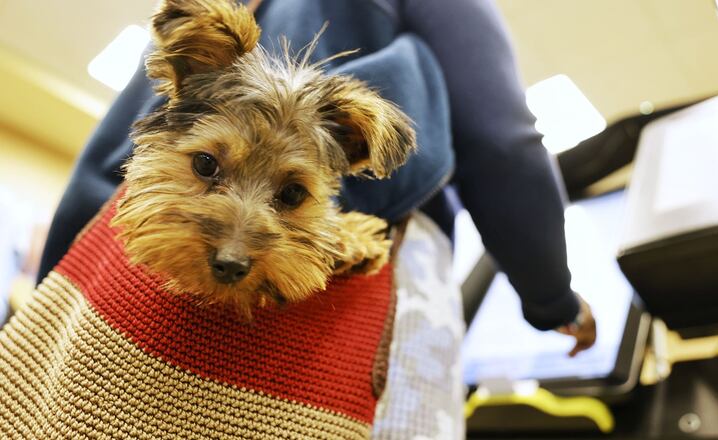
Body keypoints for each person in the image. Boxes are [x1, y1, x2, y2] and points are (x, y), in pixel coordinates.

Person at [37, 0, 595, 357]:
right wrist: (553, 300)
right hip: (362, 294)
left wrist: (42, 313)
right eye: (210, 167)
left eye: (289, 194)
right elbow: (502, 144)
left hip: (101, 299)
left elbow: (98, 169)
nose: (232, 249)